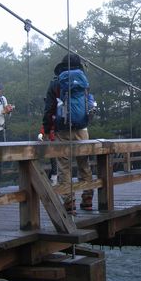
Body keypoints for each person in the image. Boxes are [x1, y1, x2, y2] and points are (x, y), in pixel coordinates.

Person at [42, 54, 95, 213]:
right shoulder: (83, 80)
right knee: (84, 164)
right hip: (81, 129)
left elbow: (49, 108)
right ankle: (87, 200)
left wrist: (46, 129)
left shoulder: (56, 82)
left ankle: (69, 203)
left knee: (63, 167)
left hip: (62, 130)